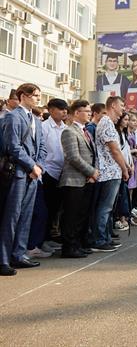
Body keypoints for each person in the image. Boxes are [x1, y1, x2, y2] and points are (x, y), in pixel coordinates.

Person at [0, 83, 46, 276]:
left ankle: (19, 255)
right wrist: (31, 166)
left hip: (33, 174)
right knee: (11, 217)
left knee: (25, 216)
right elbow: (12, 146)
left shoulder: (36, 119)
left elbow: (42, 146)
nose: (38, 99)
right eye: (35, 95)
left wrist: (39, 166)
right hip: (18, 173)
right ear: (23, 96)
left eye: (38, 95)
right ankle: (3, 260)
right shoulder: (12, 116)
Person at [26, 98, 69, 259]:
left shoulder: (66, 128)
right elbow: (41, 149)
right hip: (47, 171)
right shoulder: (44, 127)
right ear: (51, 110)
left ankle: (46, 238)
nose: (64, 111)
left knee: (55, 209)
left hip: (61, 172)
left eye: (66, 109)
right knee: (44, 209)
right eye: (60, 109)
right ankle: (38, 241)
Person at [90, 96, 130, 252]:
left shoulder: (110, 124)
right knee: (104, 207)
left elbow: (118, 150)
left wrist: (125, 166)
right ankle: (99, 240)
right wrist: (125, 169)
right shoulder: (106, 122)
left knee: (108, 208)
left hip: (113, 171)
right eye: (121, 105)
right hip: (108, 171)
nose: (123, 108)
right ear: (113, 106)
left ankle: (105, 237)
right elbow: (114, 150)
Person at [59, 100, 98, 258]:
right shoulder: (69, 131)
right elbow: (73, 157)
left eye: (90, 111)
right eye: (86, 111)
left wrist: (93, 173)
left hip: (86, 179)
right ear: (76, 112)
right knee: (71, 216)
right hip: (73, 180)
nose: (90, 113)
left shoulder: (85, 131)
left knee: (82, 214)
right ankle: (69, 247)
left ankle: (78, 244)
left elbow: (91, 154)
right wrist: (91, 171)